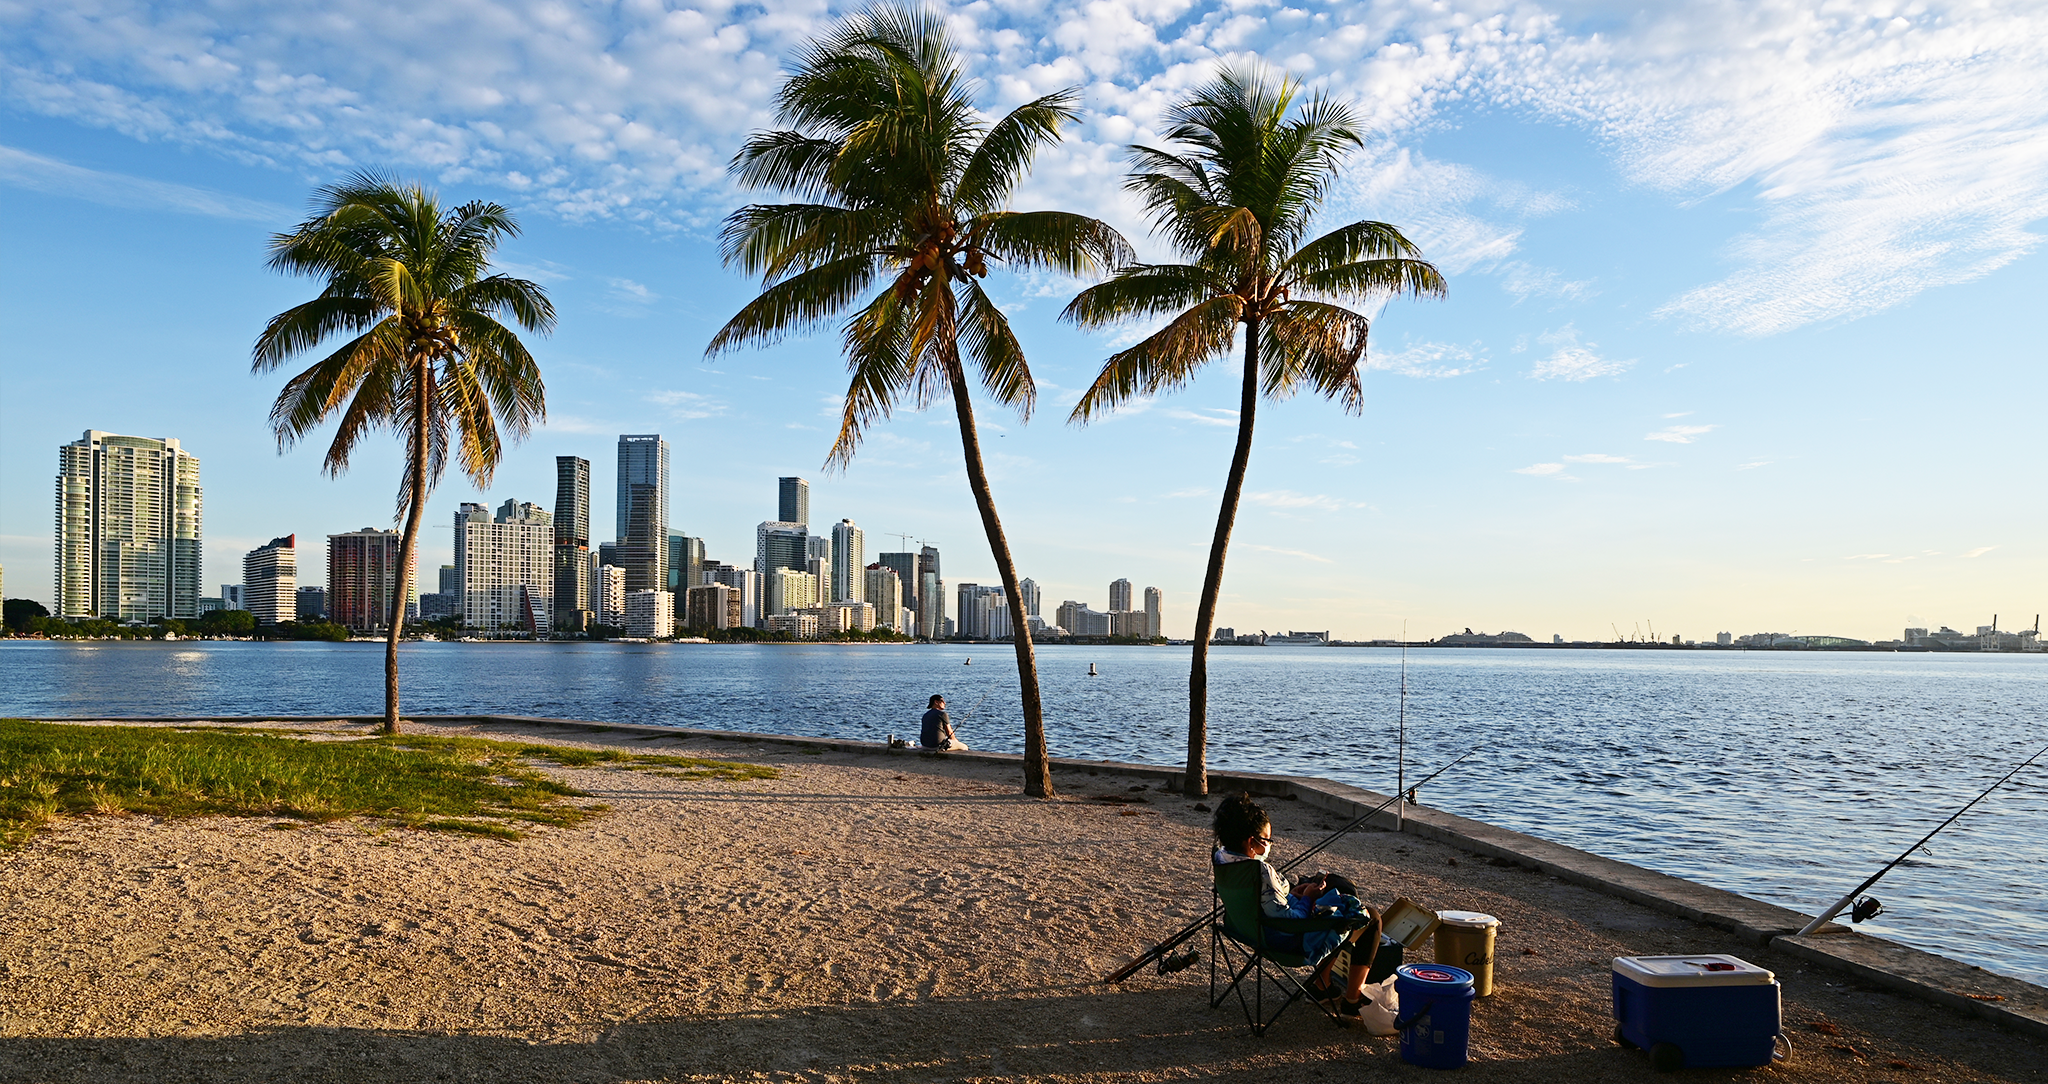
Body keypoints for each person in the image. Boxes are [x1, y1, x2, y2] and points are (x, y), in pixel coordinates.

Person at [1213, 793, 1385, 1022]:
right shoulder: (1260, 872)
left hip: (1246, 930)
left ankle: (1322, 986)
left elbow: (1267, 901)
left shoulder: (1222, 859)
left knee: (1335, 887)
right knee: (1369, 918)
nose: (1269, 845)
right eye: (1266, 840)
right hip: (1286, 940)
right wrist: (1307, 899)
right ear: (1250, 842)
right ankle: (1352, 1001)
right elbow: (1292, 922)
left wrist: (1290, 892)